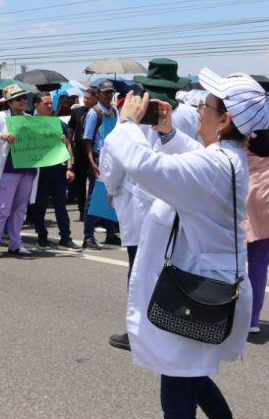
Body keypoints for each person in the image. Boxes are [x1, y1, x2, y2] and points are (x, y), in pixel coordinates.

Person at [104, 69, 269, 418]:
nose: (198, 109)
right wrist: (167, 133)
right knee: (193, 377)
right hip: (206, 289)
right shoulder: (227, 156)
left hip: (195, 293)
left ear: (224, 119)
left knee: (179, 391)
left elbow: (145, 165)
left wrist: (127, 123)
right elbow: (195, 156)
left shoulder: (215, 165)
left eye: (205, 104)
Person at [103, 58, 198, 351]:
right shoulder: (189, 115)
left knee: (140, 268)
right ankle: (176, 324)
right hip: (180, 201)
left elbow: (115, 155)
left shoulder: (133, 115)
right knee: (176, 265)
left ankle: (141, 332)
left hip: (141, 202)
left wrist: (112, 187)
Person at [0, 84, 36, 260]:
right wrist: (1, 137)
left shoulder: (29, 118)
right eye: (18, 99)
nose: (23, 101)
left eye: (24, 98)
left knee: (20, 209)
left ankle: (15, 243)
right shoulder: (0, 117)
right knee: (2, 209)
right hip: (8, 169)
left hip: (27, 169)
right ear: (10, 103)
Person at [31, 92, 81, 251]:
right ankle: (42, 236)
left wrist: (69, 167)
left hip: (57, 170)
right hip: (39, 172)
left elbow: (67, 146)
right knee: (39, 206)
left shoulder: (58, 124)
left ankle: (65, 237)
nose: (49, 106)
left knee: (61, 205)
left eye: (50, 103)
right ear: (36, 106)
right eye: (45, 103)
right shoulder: (28, 124)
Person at [82, 80, 121, 250]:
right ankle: (88, 236)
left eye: (110, 92)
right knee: (93, 197)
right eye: (105, 92)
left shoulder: (113, 110)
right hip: (98, 159)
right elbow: (88, 140)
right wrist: (91, 162)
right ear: (98, 93)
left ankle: (111, 234)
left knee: (113, 195)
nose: (109, 95)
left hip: (113, 158)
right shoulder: (94, 112)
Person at [244, 132, 269, 334]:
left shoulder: (245, 116)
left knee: (231, 259)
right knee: (259, 263)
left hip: (245, 187)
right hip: (266, 190)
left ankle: (226, 311)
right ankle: (252, 319)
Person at [67, 88, 97, 220]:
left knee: (94, 183)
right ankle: (81, 210)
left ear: (96, 99)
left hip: (94, 153)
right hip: (79, 151)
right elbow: (70, 131)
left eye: (88, 98)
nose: (85, 100)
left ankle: (94, 212)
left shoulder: (99, 112)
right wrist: (70, 147)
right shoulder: (76, 111)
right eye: (84, 97)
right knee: (80, 182)